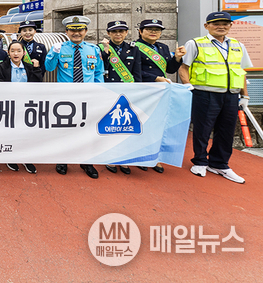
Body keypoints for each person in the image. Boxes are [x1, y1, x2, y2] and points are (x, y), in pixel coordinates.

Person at [179, 11, 251, 184]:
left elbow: (240, 71)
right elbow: (183, 68)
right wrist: (188, 86)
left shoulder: (238, 45)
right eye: (216, 23)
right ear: (207, 26)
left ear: (230, 25)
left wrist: (245, 96)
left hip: (231, 95)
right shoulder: (195, 43)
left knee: (226, 131)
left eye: (225, 24)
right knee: (203, 129)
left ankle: (219, 164)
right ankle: (200, 161)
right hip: (204, 94)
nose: (221, 27)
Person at [45, 16, 104, 179]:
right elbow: (49, 68)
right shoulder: (59, 48)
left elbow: (98, 72)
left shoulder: (93, 49)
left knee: (87, 129)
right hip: (66, 96)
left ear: (86, 31)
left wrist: (100, 92)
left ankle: (86, 161)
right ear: (66, 31)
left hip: (88, 96)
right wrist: (54, 53)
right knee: (65, 129)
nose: (76, 33)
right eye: (72, 30)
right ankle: (63, 159)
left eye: (80, 30)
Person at [135, 18, 186, 173]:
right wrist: (154, 78)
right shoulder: (134, 47)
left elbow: (170, 69)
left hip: (161, 90)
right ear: (140, 31)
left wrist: (177, 58)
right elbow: (134, 71)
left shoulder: (163, 47)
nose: (154, 32)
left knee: (158, 123)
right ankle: (141, 155)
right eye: (149, 29)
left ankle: (155, 156)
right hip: (144, 89)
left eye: (157, 30)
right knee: (143, 123)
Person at [99, 20, 143, 175]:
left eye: (121, 31)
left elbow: (137, 71)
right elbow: (101, 68)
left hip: (127, 91)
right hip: (109, 91)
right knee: (109, 125)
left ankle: (124, 157)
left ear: (126, 33)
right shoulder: (101, 48)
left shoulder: (133, 49)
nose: (118, 34)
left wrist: (138, 90)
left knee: (126, 126)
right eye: (114, 32)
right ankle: (110, 156)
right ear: (108, 33)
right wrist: (106, 52)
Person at [0, 41, 44, 175]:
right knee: (10, 132)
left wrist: (36, 68)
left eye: (19, 51)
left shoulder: (29, 67)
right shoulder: (3, 67)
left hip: (27, 106)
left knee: (26, 132)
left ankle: (26, 158)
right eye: (12, 51)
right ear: (8, 53)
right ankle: (11, 156)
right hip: (9, 105)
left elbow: (37, 84)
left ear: (24, 53)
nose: (16, 53)